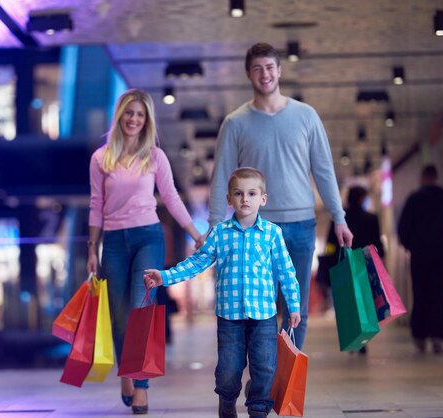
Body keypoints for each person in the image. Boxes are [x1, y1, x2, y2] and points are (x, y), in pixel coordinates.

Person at [207, 42, 352, 350]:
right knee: (260, 311)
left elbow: (324, 171)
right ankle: (265, 378)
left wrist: (339, 218)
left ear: (280, 71)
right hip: (255, 229)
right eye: (257, 68)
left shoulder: (306, 116)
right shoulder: (235, 122)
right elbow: (221, 175)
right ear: (249, 74)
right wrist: (214, 224)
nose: (265, 74)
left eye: (270, 67)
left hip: (301, 225)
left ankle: (286, 382)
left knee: (295, 309)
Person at [145, 167, 301, 418]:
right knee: (229, 369)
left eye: (251, 193)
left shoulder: (272, 234)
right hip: (230, 317)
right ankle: (227, 403)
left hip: (264, 316)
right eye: (238, 194)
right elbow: (196, 263)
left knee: (265, 367)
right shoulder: (220, 233)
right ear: (229, 199)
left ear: (263, 198)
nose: (244, 199)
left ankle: (258, 409)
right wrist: (164, 276)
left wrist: (294, 306)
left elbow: (286, 271)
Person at [86, 88, 204, 415]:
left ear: (147, 119)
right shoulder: (101, 158)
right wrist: (91, 248)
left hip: (148, 238)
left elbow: (172, 198)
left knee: (142, 308)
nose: (134, 120)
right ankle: (127, 369)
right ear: (120, 115)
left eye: (140, 115)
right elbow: (96, 205)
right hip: (113, 242)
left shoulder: (154, 157)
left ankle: (141, 386)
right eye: (129, 113)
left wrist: (195, 234)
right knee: (120, 317)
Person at [397, 164, 443, 354]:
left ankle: (419, 335)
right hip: (442, 255)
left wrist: (410, 246)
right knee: (439, 295)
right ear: (436, 176)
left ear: (423, 177)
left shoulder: (414, 199)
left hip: (420, 255)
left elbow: (403, 229)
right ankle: (437, 335)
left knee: (420, 294)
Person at [322, 185, 384, 354]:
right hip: (364, 267)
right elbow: (377, 245)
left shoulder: (340, 220)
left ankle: (351, 338)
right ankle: (363, 340)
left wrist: (329, 264)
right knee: (364, 303)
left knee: (347, 305)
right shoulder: (371, 218)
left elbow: (330, 244)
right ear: (362, 198)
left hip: (343, 267)